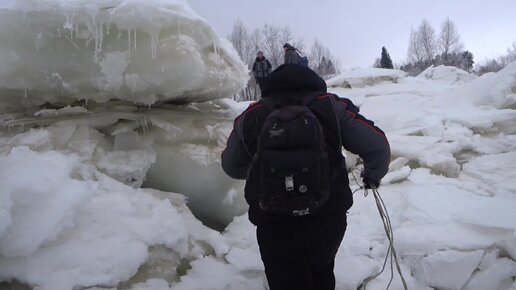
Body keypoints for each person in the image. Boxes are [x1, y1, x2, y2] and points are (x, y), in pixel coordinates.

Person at [221, 64, 390, 290]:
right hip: (327, 217)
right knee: (321, 270)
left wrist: (261, 168)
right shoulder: (331, 105)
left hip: (273, 222)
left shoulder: (251, 114)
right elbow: (378, 147)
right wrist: (371, 175)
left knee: (284, 278)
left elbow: (232, 166)